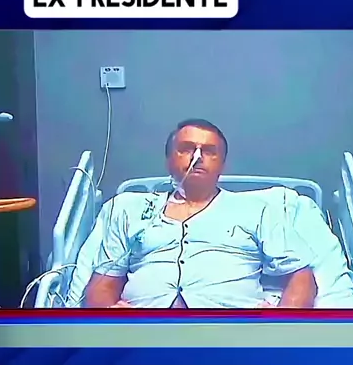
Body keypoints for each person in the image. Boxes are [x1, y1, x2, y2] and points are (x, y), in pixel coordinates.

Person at [84, 119, 318, 308]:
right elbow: (102, 286)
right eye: (186, 149)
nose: (197, 158)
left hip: (232, 335)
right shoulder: (130, 210)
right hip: (143, 335)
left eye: (209, 151)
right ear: (169, 160)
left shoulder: (257, 210)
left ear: (222, 165)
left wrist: (278, 325)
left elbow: (302, 278)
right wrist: (111, 318)